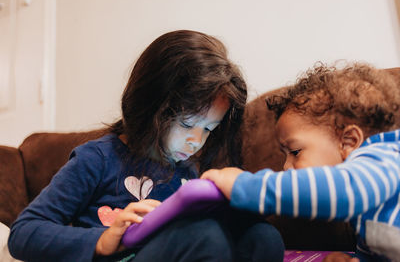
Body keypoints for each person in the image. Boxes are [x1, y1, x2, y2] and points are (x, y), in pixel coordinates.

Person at [8, 30, 284, 262]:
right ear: (149, 104)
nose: (196, 141)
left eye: (208, 129)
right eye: (187, 125)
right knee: (204, 236)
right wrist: (102, 240)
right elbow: (23, 232)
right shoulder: (97, 158)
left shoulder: (187, 170)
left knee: (263, 237)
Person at [201, 62, 400, 262]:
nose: (286, 166)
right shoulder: (372, 200)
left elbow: (341, 191)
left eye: (296, 152)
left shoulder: (385, 160)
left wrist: (243, 185)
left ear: (348, 141)